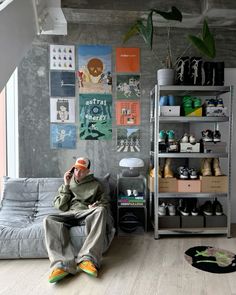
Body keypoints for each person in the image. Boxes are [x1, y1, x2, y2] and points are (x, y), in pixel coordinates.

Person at [44, 157, 112, 283]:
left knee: (101, 211)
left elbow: (105, 203)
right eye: (76, 169)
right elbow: (60, 206)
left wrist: (96, 205)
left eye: (81, 170)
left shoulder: (96, 185)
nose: (78, 173)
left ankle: (87, 259)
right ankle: (62, 265)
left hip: (86, 213)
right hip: (69, 214)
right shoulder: (68, 183)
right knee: (49, 219)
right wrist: (66, 185)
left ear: (88, 171)